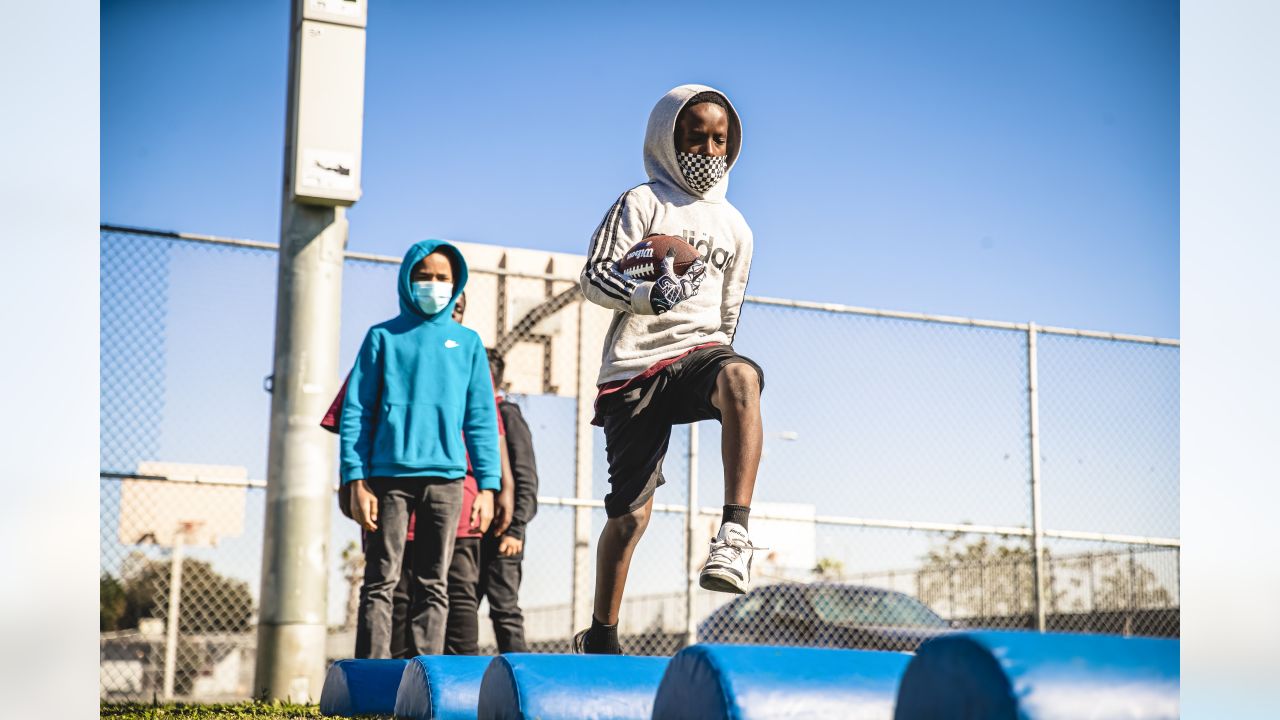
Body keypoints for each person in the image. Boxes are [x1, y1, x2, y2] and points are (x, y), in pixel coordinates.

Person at [575, 84, 764, 654]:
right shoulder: (642, 203)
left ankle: (734, 531)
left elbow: (727, 318)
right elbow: (591, 277)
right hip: (634, 370)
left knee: (741, 377)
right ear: (668, 138)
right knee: (631, 517)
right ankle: (601, 634)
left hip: (699, 355)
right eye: (695, 136)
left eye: (719, 140)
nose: (708, 149)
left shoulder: (738, 228)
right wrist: (644, 297)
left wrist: (721, 380)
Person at [339, 240, 501, 658]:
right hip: (387, 479)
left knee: (435, 583)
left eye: (442, 278)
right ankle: (371, 680)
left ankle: (425, 680)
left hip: (447, 480)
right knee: (381, 580)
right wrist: (355, 478)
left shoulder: (466, 343)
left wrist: (487, 485)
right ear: (408, 280)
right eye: (423, 276)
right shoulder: (382, 338)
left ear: (456, 283)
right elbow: (356, 410)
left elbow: (481, 418)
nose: (432, 285)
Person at [445, 351, 539, 655]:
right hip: (471, 530)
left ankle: (520, 682)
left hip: (502, 534)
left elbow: (525, 477)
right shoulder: (466, 416)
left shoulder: (508, 414)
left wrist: (515, 528)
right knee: (462, 604)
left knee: (504, 608)